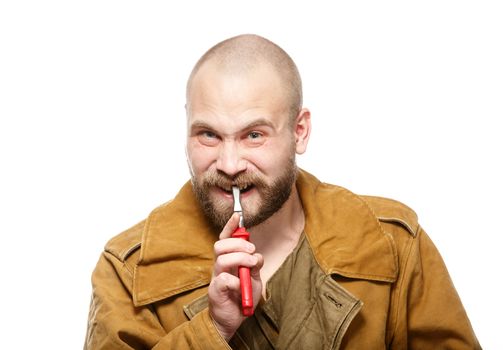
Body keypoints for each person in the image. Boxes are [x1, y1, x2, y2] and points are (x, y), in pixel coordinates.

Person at [84, 34, 480, 349]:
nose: (229, 163)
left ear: (299, 131)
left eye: (253, 135)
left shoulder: (392, 244)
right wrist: (214, 329)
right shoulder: (129, 269)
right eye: (208, 135)